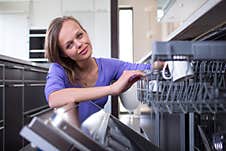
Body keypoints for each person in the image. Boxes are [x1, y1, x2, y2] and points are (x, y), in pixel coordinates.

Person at [44, 16, 151, 123]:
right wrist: (111, 89)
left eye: (79, 35)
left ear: (85, 33)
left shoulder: (108, 66)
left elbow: (144, 68)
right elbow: (54, 99)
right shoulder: (58, 69)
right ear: (63, 54)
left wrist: (161, 64)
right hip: (67, 135)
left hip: (93, 132)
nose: (79, 44)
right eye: (69, 45)